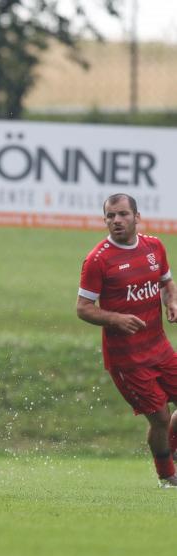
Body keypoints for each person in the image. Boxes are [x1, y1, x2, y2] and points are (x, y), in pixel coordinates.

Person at [77, 193, 177, 489]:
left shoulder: (154, 247)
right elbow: (83, 308)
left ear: (137, 217)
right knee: (160, 417)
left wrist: (171, 301)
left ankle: (172, 450)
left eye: (122, 214)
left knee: (167, 419)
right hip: (127, 360)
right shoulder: (98, 260)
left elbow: (166, 282)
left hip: (160, 348)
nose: (116, 220)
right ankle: (167, 476)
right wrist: (115, 319)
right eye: (110, 216)